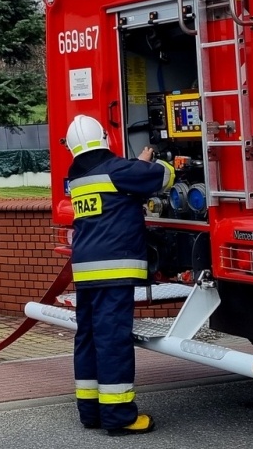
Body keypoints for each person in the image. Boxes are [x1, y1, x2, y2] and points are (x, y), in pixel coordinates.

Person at [63, 113, 174, 437]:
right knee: (113, 341)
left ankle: (91, 412)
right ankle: (119, 416)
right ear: (103, 137)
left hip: (85, 272)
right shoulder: (117, 170)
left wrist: (134, 165)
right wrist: (162, 163)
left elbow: (118, 184)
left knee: (88, 339)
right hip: (114, 270)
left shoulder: (77, 178)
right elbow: (160, 177)